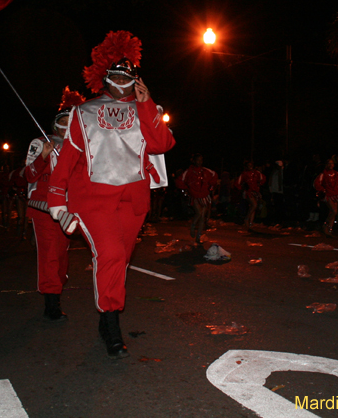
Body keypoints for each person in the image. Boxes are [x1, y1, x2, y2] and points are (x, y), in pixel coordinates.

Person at [47, 31, 175, 359]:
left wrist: (146, 104)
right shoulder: (84, 112)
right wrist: (57, 203)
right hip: (93, 199)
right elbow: (67, 161)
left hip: (132, 201)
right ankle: (111, 320)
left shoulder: (147, 108)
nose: (122, 79)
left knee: (121, 258)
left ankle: (107, 318)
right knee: (112, 255)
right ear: (104, 77)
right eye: (116, 73)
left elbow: (162, 145)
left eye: (128, 74)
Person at [24, 88, 83, 321]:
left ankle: (55, 294)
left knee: (62, 256)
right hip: (43, 208)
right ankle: (51, 305)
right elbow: (28, 176)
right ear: (56, 124)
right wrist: (43, 158)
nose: (67, 126)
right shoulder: (40, 142)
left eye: (72, 122)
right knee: (49, 255)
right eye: (63, 122)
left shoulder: (79, 148)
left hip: (68, 210)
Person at [176, 154, 218, 244]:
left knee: (203, 216)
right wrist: (187, 188)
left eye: (201, 160)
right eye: (198, 160)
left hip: (204, 195)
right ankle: (193, 226)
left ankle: (198, 236)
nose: (199, 162)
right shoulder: (188, 171)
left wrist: (210, 184)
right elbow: (179, 181)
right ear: (194, 161)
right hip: (194, 195)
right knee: (199, 213)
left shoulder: (206, 170)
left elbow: (215, 175)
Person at [313, 158, 338, 236]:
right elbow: (316, 183)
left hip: (335, 194)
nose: (330, 165)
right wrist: (322, 190)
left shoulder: (337, 174)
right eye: (329, 163)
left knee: (333, 212)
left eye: (332, 163)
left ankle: (329, 229)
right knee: (334, 211)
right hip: (328, 195)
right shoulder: (323, 174)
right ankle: (326, 225)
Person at [236, 161, 266, 229]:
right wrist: (242, 188)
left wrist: (259, 184)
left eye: (251, 165)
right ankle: (246, 219)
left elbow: (263, 178)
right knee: (254, 205)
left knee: (253, 207)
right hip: (248, 192)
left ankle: (250, 223)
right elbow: (237, 183)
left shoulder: (257, 173)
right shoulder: (244, 174)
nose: (250, 167)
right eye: (249, 166)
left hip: (256, 192)